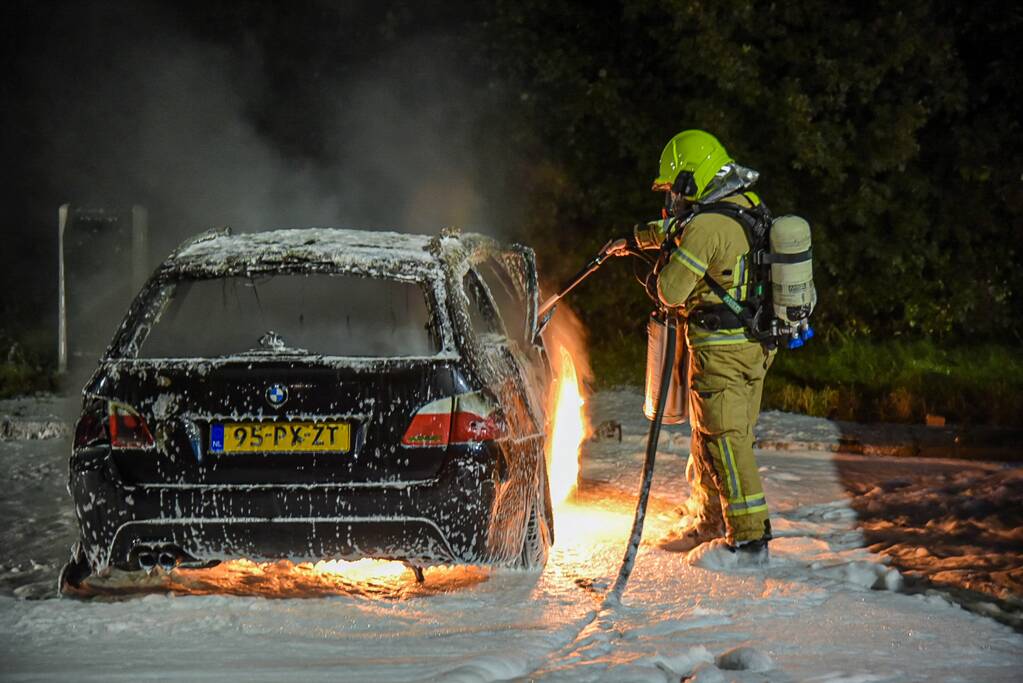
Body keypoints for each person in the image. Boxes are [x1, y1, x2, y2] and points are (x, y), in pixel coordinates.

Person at [609, 129, 774, 560]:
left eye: (674, 188)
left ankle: (749, 541)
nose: (673, 198)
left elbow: (671, 289)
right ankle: (710, 520)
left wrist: (658, 265)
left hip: (722, 349)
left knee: (726, 439)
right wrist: (635, 238)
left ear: (690, 179)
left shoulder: (704, 226)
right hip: (751, 344)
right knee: (711, 433)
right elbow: (678, 230)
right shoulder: (743, 208)